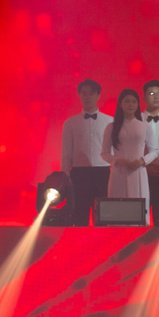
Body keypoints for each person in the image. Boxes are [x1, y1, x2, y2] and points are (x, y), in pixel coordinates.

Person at [58, 78, 110, 226]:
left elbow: (114, 151)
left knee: (104, 215)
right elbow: (66, 152)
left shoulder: (109, 121)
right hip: (79, 173)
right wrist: (65, 177)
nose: (87, 97)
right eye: (84, 93)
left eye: (91, 94)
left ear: (98, 96)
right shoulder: (70, 123)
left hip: (104, 172)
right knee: (79, 215)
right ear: (79, 95)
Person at [100, 88, 156, 208]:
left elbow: (154, 151)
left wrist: (142, 161)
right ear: (120, 104)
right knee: (119, 208)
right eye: (127, 101)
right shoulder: (111, 127)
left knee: (138, 208)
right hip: (119, 172)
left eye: (134, 101)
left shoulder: (145, 126)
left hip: (138, 172)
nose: (130, 104)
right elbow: (104, 153)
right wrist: (118, 160)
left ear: (138, 104)